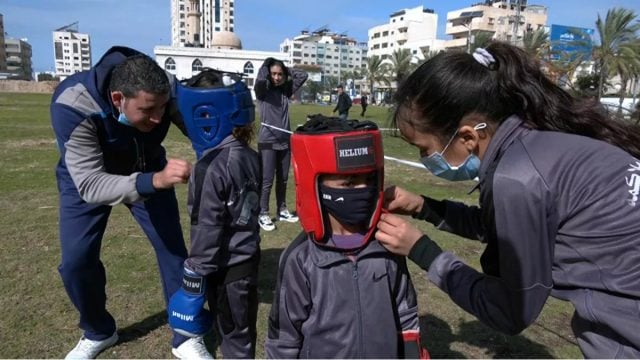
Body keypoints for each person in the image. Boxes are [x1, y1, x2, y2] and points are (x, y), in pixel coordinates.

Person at [375, 42, 640, 358]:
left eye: (424, 148)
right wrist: (423, 207)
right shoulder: (542, 145)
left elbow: (510, 311)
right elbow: (506, 228)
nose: (424, 158)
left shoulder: (518, 177)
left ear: (468, 137)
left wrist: (422, 251)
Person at [50, 46, 207, 358]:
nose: (159, 117)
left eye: (163, 107)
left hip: (147, 164)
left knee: (173, 251)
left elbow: (200, 132)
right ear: (119, 99)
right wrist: (155, 181)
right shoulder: (73, 103)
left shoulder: (165, 90)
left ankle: (186, 334)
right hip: (89, 176)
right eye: (148, 110)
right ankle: (99, 331)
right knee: (76, 263)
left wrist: (214, 158)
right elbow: (91, 184)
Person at [265, 115, 428, 359]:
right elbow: (285, 337)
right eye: (349, 183)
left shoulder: (387, 243)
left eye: (368, 180)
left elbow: (405, 313)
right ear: (316, 184)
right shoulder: (301, 259)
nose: (362, 189)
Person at [167, 69, 261, 359]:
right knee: (243, 334)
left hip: (226, 270)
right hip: (248, 262)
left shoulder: (210, 168)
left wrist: (193, 279)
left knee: (232, 338)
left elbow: (207, 229)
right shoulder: (251, 155)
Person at [254, 57, 308, 232]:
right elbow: (261, 79)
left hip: (285, 141)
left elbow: (303, 75)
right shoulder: (262, 90)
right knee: (267, 180)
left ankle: (282, 210)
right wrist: (266, 66)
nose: (277, 77)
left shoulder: (285, 90)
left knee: (283, 179)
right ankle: (263, 213)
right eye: (274, 74)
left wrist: (286, 69)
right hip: (267, 141)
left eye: (280, 74)